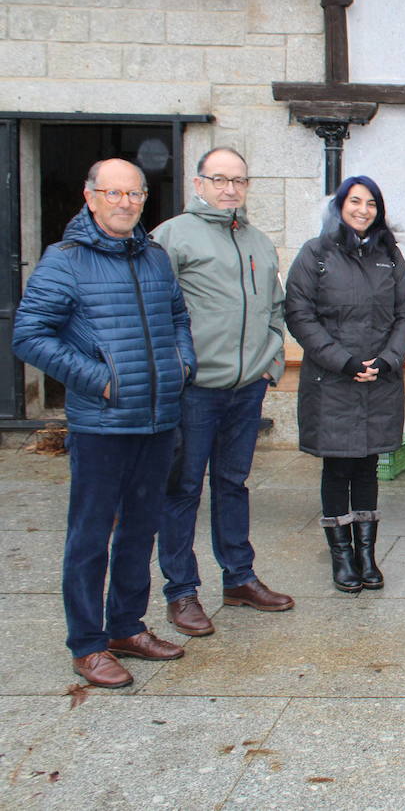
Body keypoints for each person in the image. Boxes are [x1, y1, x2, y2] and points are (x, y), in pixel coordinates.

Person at [13, 159, 197, 687]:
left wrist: (181, 364)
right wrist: (100, 379)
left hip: (158, 419)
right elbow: (29, 335)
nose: (125, 203)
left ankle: (126, 627)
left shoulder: (154, 257)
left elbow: (178, 318)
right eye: (114, 193)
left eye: (134, 194)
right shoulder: (65, 261)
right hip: (102, 424)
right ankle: (87, 645)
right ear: (90, 197)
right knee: (90, 537)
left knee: (140, 531)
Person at [153, 147, 293, 636]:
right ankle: (181, 591)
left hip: (246, 388)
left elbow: (275, 307)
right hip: (194, 390)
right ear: (199, 184)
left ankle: (239, 578)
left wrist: (270, 362)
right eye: (219, 179)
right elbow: (152, 309)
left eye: (238, 180)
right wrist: (176, 369)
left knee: (233, 484)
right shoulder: (172, 236)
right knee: (182, 489)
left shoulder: (258, 241)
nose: (230, 189)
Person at [284, 176, 405, 592]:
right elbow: (299, 313)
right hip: (332, 381)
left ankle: (366, 555)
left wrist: (388, 359)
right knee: (337, 466)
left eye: (371, 203)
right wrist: (342, 361)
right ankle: (341, 557)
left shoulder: (389, 255)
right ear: (340, 206)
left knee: (367, 466)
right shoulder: (316, 253)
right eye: (355, 201)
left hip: (379, 379)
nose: (363, 210)